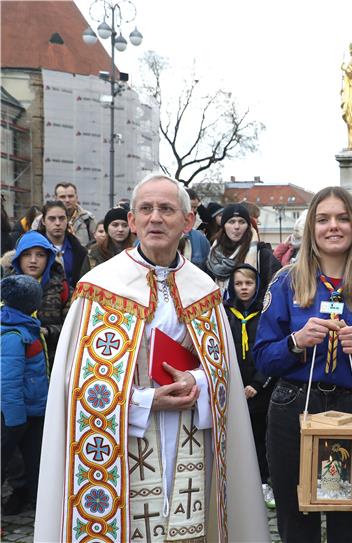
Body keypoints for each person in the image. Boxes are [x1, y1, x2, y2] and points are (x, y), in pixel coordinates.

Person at [34, 174, 269, 542]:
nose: (155, 218)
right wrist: (144, 401)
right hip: (123, 445)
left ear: (188, 222)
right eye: (145, 209)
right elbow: (75, 386)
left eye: (166, 209)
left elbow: (224, 375)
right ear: (132, 221)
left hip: (190, 435)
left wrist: (199, 381)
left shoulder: (203, 290)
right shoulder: (100, 287)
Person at [254, 186, 352, 543]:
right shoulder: (287, 281)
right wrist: (295, 343)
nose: (333, 226)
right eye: (323, 219)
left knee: (349, 519)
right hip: (293, 406)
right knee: (296, 516)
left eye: (342, 217)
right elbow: (263, 357)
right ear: (311, 228)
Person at [224, 264, 276, 507]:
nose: (244, 289)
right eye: (239, 284)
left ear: (257, 286)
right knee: (235, 436)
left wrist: (257, 383)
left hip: (259, 389)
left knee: (260, 435)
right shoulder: (225, 314)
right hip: (234, 387)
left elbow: (270, 350)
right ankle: (237, 484)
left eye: (248, 283)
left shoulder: (265, 313)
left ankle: (265, 482)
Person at [1, 275, 47, 516]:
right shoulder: (13, 336)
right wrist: (15, 420)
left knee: (35, 461)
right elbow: (8, 383)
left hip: (33, 411)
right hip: (17, 416)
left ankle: (39, 505)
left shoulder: (25, 327)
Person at [2, 231, 70, 369]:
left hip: (52, 364)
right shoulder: (5, 288)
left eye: (40, 255)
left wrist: (47, 331)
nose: (33, 260)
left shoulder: (62, 289)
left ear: (49, 258)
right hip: (9, 363)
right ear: (18, 258)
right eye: (27, 254)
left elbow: (72, 329)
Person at [206, 203, 281, 298]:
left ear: (248, 226)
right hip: (219, 310)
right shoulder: (213, 255)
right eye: (231, 222)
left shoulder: (262, 254)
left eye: (241, 222)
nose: (237, 227)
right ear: (224, 226)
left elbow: (275, 289)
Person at [37, 200, 88, 288]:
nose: (57, 223)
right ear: (43, 221)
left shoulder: (79, 251)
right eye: (52, 219)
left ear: (67, 220)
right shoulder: (33, 247)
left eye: (62, 218)